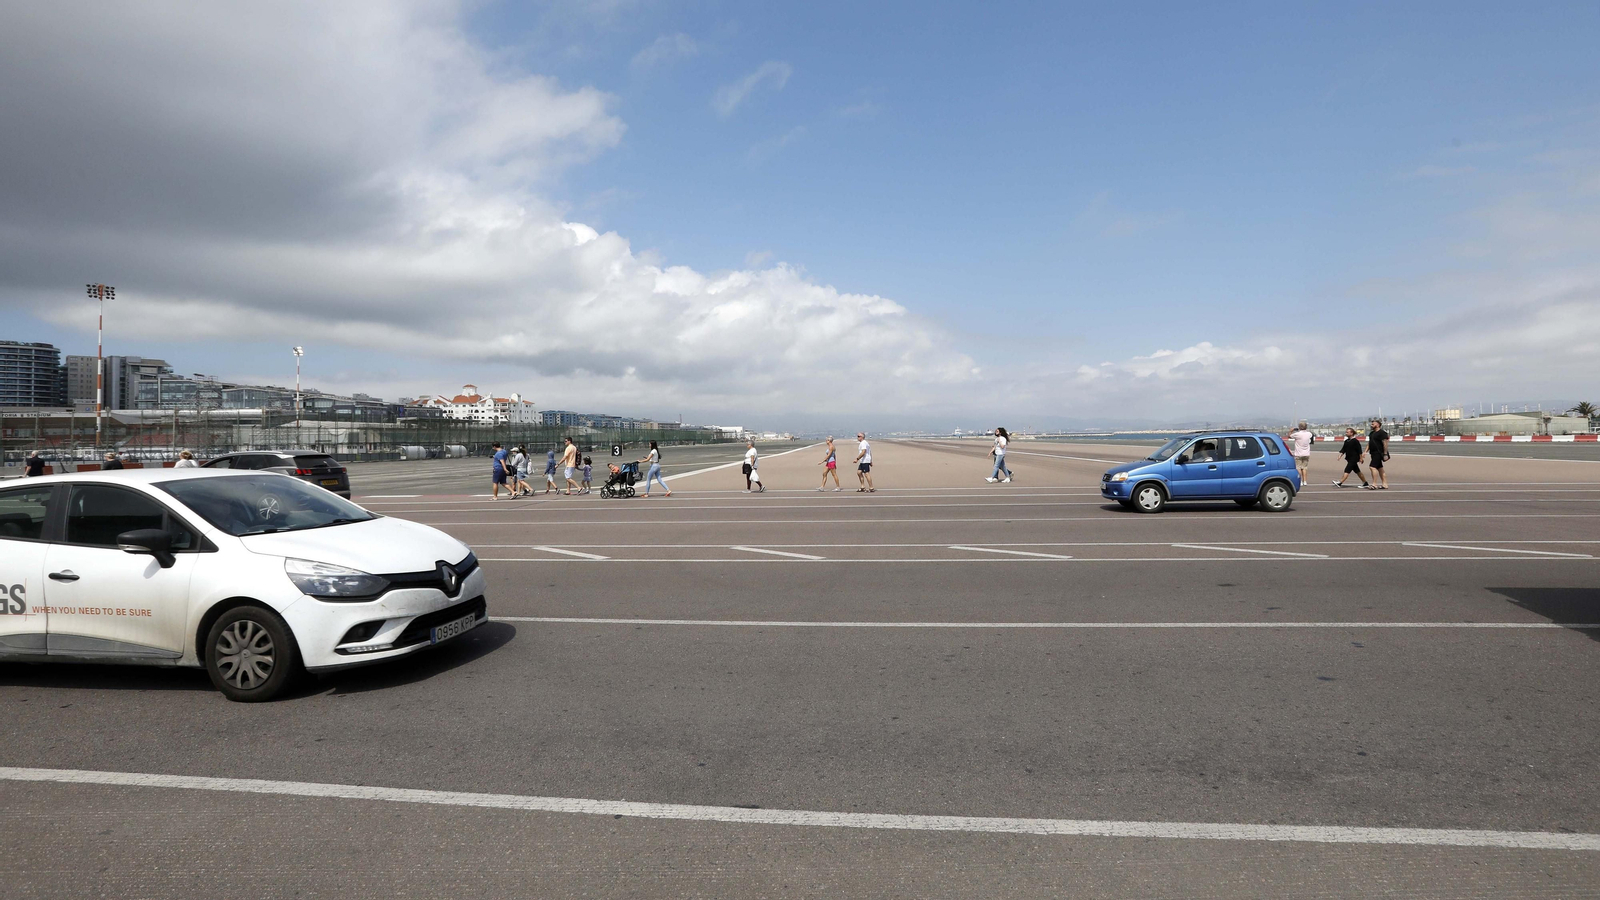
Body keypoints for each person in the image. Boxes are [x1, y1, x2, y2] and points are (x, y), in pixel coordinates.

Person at [1367, 419, 1390, 490]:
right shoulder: (1371, 433)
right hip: (1373, 453)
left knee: (1372, 467)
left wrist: (1385, 454)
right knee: (1380, 468)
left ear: (1377, 425)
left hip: (1379, 453)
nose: (1371, 425)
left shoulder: (1382, 433)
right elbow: (1369, 443)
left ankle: (1374, 484)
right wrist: (1365, 452)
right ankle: (1385, 484)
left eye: (1373, 424)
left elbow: (1385, 443)